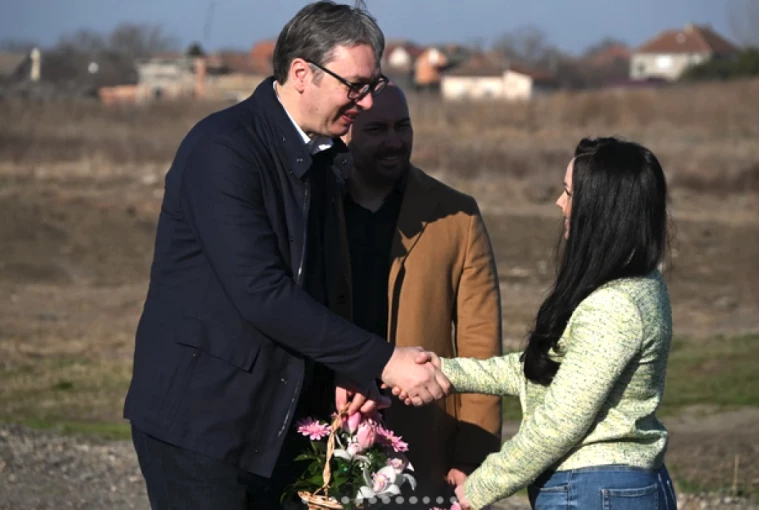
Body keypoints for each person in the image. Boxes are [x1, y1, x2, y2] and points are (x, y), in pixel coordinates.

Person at [122, 2, 449, 509]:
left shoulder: (325, 158)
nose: (366, 103)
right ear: (301, 74)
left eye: (374, 85)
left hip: (275, 425)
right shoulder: (223, 150)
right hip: (202, 426)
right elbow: (262, 293)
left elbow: (320, 286)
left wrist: (346, 369)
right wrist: (383, 360)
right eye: (355, 86)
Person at [403, 137, 678, 509]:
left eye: (569, 193)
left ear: (601, 207)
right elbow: (546, 371)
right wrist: (444, 372)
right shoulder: (639, 284)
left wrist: (478, 487)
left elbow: (560, 422)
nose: (559, 203)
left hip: (594, 491)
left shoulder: (614, 306)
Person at [341, 84, 502, 505]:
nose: (394, 141)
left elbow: (481, 346)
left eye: (403, 126)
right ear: (345, 130)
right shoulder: (314, 208)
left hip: (422, 447)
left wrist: (474, 455)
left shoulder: (457, 216)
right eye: (376, 129)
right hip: (324, 434)